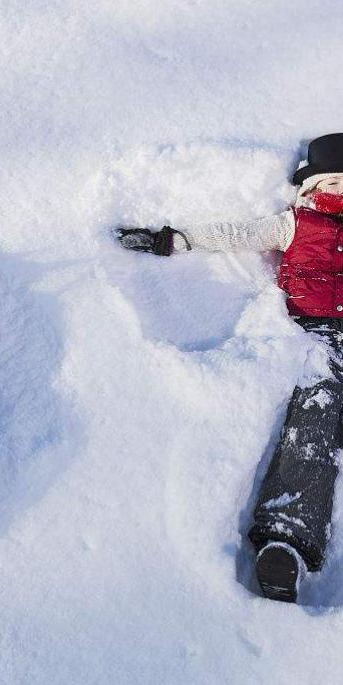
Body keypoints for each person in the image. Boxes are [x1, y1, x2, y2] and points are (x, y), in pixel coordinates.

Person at [117, 133, 343, 603]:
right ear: (311, 186)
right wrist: (176, 239)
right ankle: (288, 539)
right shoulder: (295, 224)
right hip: (319, 339)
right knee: (314, 421)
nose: (339, 193)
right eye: (333, 183)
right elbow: (237, 233)